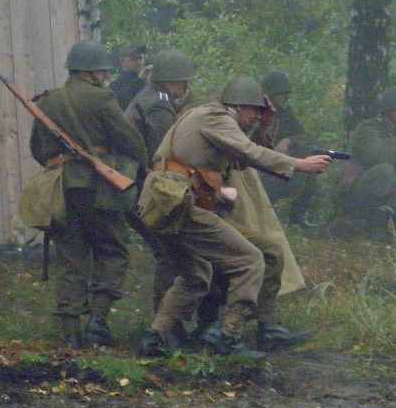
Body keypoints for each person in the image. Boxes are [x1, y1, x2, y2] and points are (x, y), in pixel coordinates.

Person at [139, 75, 331, 358]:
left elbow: (239, 158)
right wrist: (299, 164)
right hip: (182, 205)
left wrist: (263, 127)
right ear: (239, 107)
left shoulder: (208, 117)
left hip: (164, 205)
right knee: (250, 259)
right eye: (255, 112)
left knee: (197, 276)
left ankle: (154, 338)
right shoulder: (217, 118)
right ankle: (227, 337)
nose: (256, 118)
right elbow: (249, 152)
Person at [30, 40, 147, 348]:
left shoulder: (48, 102)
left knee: (70, 257)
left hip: (61, 189)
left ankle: (71, 335)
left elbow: (38, 150)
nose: (106, 78)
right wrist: (133, 166)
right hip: (98, 189)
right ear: (93, 73)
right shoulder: (102, 99)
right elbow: (130, 140)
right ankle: (98, 320)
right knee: (112, 249)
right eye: (103, 73)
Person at [124, 49, 202, 313]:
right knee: (171, 255)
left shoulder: (149, 97)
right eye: (182, 81)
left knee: (169, 253)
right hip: (143, 191)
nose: (186, 86)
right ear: (169, 81)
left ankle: (167, 320)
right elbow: (168, 149)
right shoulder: (158, 104)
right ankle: (166, 323)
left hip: (134, 187)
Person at [338, 86, 396, 233]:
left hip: (381, 194)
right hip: (353, 196)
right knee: (384, 171)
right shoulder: (368, 129)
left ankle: (385, 222)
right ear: (390, 111)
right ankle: (366, 225)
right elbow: (376, 155)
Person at [259, 71, 318, 227]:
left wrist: (288, 141)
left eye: (287, 94)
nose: (286, 98)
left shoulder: (285, 113)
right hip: (259, 168)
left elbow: (305, 137)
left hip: (277, 167)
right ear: (270, 95)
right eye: (282, 94)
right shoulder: (257, 113)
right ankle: (262, 217)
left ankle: (298, 217)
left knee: (310, 163)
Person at [109, 44, 148, 110]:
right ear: (122, 61)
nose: (139, 62)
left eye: (141, 58)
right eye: (134, 59)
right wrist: (140, 81)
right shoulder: (115, 86)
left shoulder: (144, 81)